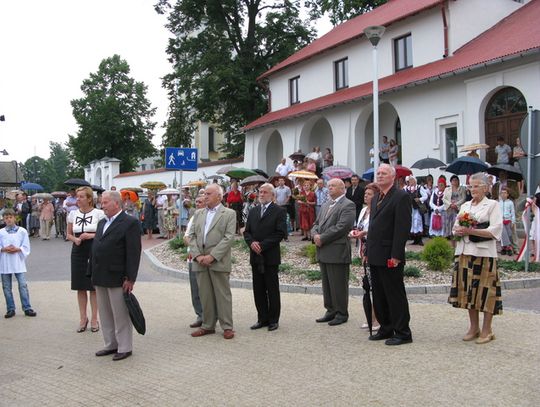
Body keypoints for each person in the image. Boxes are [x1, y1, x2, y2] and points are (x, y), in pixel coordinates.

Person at [449, 173, 503, 344]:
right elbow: (455, 226)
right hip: (465, 251)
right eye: (471, 186)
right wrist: (458, 231)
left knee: (486, 291)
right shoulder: (465, 205)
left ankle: (487, 330)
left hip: (484, 253)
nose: (473, 189)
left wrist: (472, 231)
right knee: (468, 292)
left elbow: (495, 230)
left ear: (486, 188)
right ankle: (474, 327)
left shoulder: (492, 205)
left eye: (477, 186)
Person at [90, 191, 141, 361]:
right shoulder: (102, 223)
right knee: (105, 313)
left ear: (116, 204)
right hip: (100, 274)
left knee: (120, 314)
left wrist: (130, 278)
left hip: (118, 276)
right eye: (101, 202)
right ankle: (111, 344)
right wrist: (91, 271)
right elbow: (96, 247)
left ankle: (125, 347)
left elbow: (134, 252)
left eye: (105, 202)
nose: (102, 205)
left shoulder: (130, 222)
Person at [366, 164, 412, 346]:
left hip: (390, 255)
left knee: (394, 294)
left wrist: (396, 255)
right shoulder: (377, 196)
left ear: (393, 177)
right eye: (378, 173)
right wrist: (368, 251)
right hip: (376, 254)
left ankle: (402, 332)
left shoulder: (401, 196)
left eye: (384, 173)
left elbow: (402, 229)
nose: (380, 175)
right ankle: (386, 327)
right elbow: (374, 228)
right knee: (379, 294)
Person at [188, 184, 236, 339]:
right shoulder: (198, 213)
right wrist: (197, 256)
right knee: (205, 295)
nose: (205, 196)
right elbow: (192, 236)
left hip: (218, 261)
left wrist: (212, 256)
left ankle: (227, 326)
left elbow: (228, 238)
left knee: (223, 294)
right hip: (200, 261)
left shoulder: (229, 213)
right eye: (204, 194)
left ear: (219, 196)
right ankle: (208, 325)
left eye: (208, 194)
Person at [312, 178, 356, 326]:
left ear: (342, 189)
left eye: (333, 186)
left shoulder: (348, 205)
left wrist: (322, 238)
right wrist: (315, 235)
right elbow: (316, 224)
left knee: (338, 284)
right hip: (323, 250)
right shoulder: (325, 205)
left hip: (337, 250)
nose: (329, 188)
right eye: (328, 186)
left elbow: (343, 227)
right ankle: (330, 310)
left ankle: (342, 312)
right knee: (327, 284)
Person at [244, 183, 287, 331]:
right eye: (260, 192)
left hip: (270, 255)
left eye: (265, 192)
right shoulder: (254, 211)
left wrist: (262, 245)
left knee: (272, 288)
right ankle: (262, 318)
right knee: (258, 288)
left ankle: (273, 320)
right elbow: (247, 232)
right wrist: (252, 243)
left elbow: (280, 233)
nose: (261, 194)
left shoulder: (279, 211)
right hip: (255, 255)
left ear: (272, 195)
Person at [67, 186, 106, 333]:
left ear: (89, 199)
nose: (78, 199)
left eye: (81, 197)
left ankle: (95, 319)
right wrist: (75, 239)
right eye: (77, 197)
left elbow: (104, 234)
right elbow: (68, 234)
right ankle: (83, 318)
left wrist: (90, 236)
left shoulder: (99, 214)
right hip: (78, 250)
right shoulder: (72, 214)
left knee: (93, 286)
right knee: (80, 286)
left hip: (93, 249)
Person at [349, 182, 380, 331]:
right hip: (362, 249)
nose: (366, 196)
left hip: (373, 250)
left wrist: (364, 234)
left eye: (369, 194)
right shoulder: (362, 211)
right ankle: (370, 317)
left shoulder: (378, 210)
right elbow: (358, 227)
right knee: (368, 285)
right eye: (365, 194)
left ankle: (377, 319)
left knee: (375, 286)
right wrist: (354, 233)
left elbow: (375, 230)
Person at [0, 209, 37, 318]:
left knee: (22, 285)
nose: (8, 220)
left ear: (15, 218)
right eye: (6, 218)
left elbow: (26, 246)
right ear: (4, 219)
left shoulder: (22, 231)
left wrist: (18, 249)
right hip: (5, 263)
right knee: (6, 287)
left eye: (10, 217)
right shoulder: (1, 232)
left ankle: (27, 307)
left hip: (17, 262)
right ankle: (10, 308)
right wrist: (3, 249)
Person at [183, 195, 206, 328]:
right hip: (192, 257)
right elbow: (186, 237)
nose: (197, 204)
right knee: (195, 289)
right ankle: (200, 315)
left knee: (205, 289)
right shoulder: (193, 217)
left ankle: (209, 315)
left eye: (200, 202)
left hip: (204, 257)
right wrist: (194, 247)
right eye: (196, 202)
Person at [404, 176, 428, 245]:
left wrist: (419, 199)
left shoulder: (419, 187)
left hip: (417, 208)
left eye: (412, 180)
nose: (410, 182)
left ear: (415, 181)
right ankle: (415, 240)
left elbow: (425, 196)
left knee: (418, 222)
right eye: (409, 180)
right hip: (410, 208)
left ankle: (420, 239)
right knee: (412, 223)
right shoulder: (406, 188)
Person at [443, 175, 467, 241]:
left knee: (455, 222)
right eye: (453, 180)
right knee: (448, 222)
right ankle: (448, 235)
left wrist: (455, 204)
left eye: (456, 180)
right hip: (449, 208)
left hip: (457, 208)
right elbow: (444, 199)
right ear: (451, 182)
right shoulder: (447, 189)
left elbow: (463, 198)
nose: (455, 182)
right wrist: (450, 204)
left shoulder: (462, 189)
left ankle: (455, 235)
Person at [498, 187, 516, 256]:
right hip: (501, 221)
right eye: (502, 193)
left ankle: (505, 248)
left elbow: (513, 212)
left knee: (508, 234)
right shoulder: (499, 202)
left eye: (505, 193)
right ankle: (507, 248)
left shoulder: (510, 202)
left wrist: (513, 221)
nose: (503, 194)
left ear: (508, 194)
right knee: (503, 233)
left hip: (508, 220)